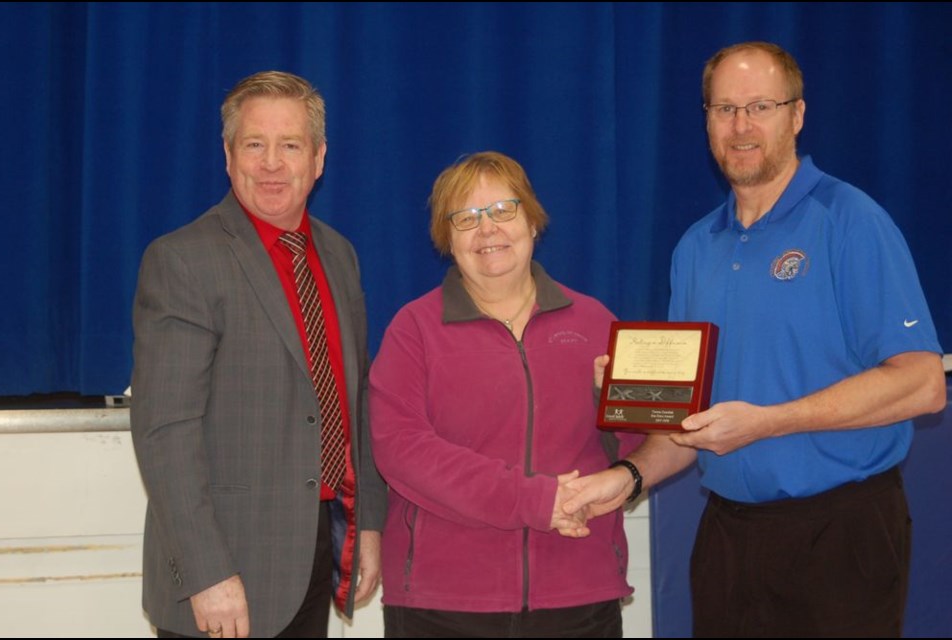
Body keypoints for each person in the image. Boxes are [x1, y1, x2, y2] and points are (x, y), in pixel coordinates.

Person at [564, 41, 946, 637]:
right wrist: (628, 467)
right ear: (708, 121)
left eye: (759, 106)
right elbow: (689, 430)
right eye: (723, 110)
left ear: (796, 115)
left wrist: (769, 421)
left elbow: (922, 385)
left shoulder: (850, 220)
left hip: (842, 534)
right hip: (728, 536)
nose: (741, 126)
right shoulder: (695, 249)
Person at [131, 71, 386, 638]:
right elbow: (164, 432)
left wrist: (367, 524)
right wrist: (206, 573)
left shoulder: (339, 256)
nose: (271, 163)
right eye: (254, 144)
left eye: (290, 145)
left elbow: (356, 401)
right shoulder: (183, 261)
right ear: (228, 155)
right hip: (226, 572)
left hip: (317, 553)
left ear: (318, 158)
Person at [367, 151, 644, 638]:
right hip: (444, 605)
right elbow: (402, 451)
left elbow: (634, 454)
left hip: (579, 594)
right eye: (466, 218)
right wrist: (536, 500)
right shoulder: (413, 330)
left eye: (503, 210)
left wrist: (618, 412)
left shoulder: (596, 322)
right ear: (446, 239)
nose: (487, 229)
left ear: (533, 222)